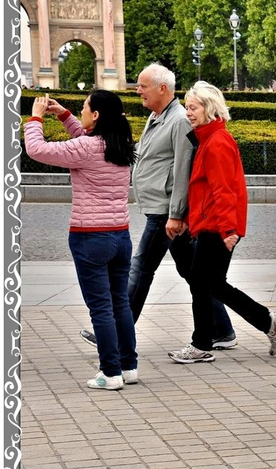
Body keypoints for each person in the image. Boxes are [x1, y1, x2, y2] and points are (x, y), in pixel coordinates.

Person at [79, 64, 234, 349]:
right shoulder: (157, 116)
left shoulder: (178, 120)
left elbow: (182, 170)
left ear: (163, 88)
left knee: (140, 268)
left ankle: (113, 331)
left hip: (166, 211)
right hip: (161, 208)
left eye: (143, 85)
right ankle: (223, 330)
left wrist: (176, 214)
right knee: (193, 273)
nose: (137, 90)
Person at [23, 90, 137, 390]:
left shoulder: (88, 147)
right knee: (120, 304)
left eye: (85, 108)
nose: (82, 112)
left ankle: (109, 373)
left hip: (90, 238)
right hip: (121, 236)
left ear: (96, 115)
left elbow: (36, 149)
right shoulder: (120, 144)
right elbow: (84, 140)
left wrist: (35, 117)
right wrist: (63, 115)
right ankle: (128, 367)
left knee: (100, 308)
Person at [167, 82, 276, 365]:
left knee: (202, 283)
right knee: (213, 285)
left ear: (209, 109)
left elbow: (224, 190)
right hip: (214, 224)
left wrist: (228, 230)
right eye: (187, 107)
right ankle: (268, 323)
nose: (188, 113)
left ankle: (201, 344)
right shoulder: (211, 139)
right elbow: (208, 190)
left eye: (193, 107)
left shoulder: (216, 142)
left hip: (217, 226)